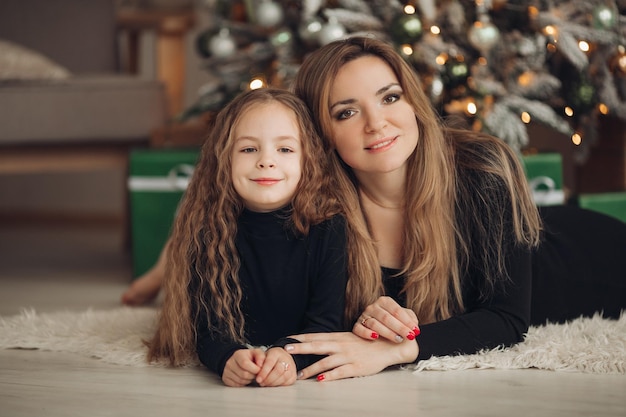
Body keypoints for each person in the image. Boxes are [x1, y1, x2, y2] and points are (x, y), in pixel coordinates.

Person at [127, 36, 626, 382]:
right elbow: (229, 231)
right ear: (317, 137)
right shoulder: (320, 208)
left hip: (588, 259)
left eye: (389, 97)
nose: (377, 123)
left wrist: (391, 350)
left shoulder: (482, 171)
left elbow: (507, 318)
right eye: (346, 111)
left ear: (411, 102)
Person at [145, 88, 352, 387]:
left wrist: (289, 357)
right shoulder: (208, 227)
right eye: (248, 149)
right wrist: (227, 357)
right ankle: (150, 280)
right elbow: (207, 330)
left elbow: (325, 323)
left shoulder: (330, 226)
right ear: (223, 159)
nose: (266, 161)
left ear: (309, 159)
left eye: (285, 149)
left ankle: (149, 280)